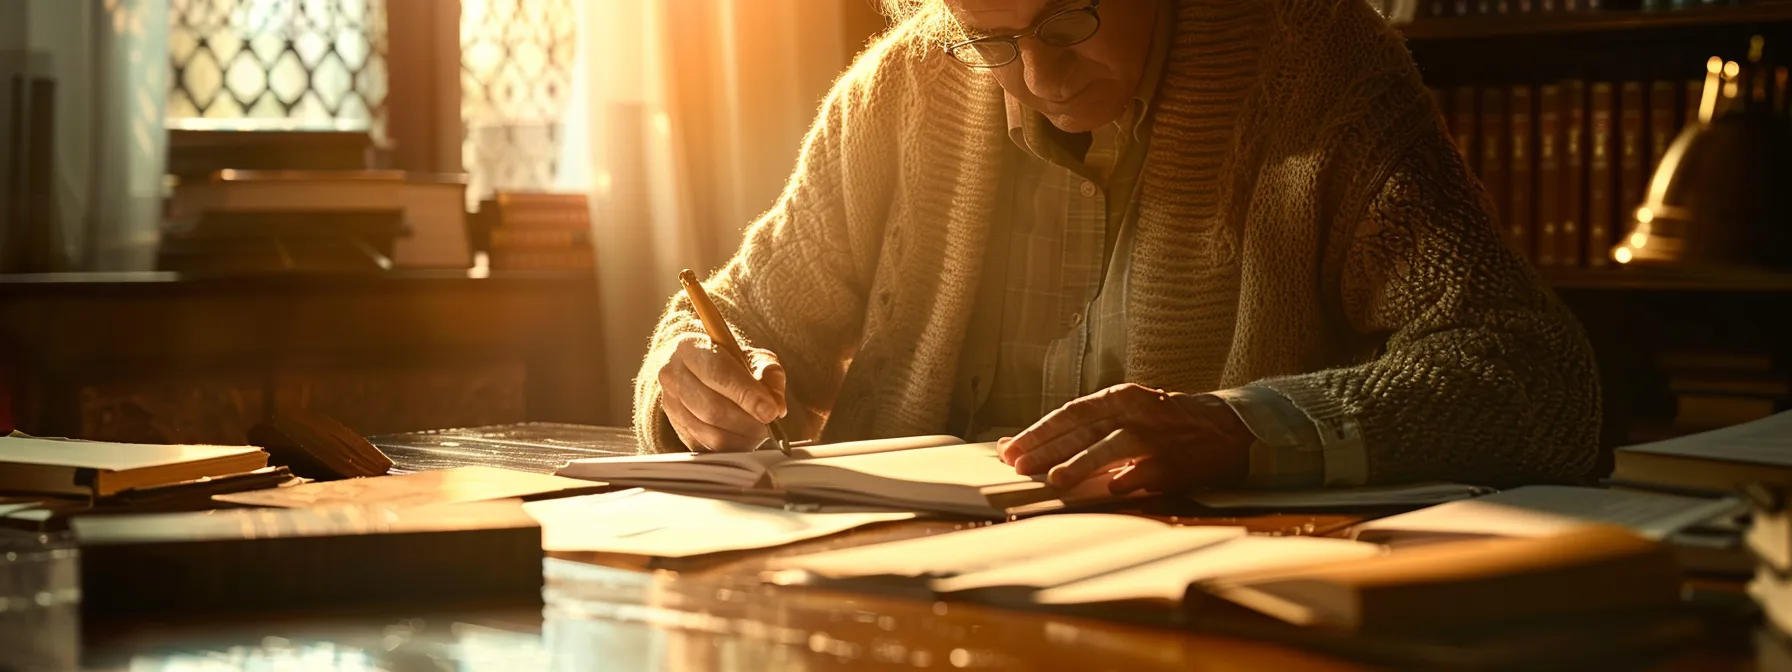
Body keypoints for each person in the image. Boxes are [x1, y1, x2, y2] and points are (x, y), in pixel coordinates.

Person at [633, 0, 1601, 494]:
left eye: (1068, 18)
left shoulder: (1310, 63)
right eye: (989, 35)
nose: (1035, 76)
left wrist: (1243, 431)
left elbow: (1533, 375)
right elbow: (736, 318)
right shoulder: (906, 84)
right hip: (894, 603)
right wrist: (693, 388)